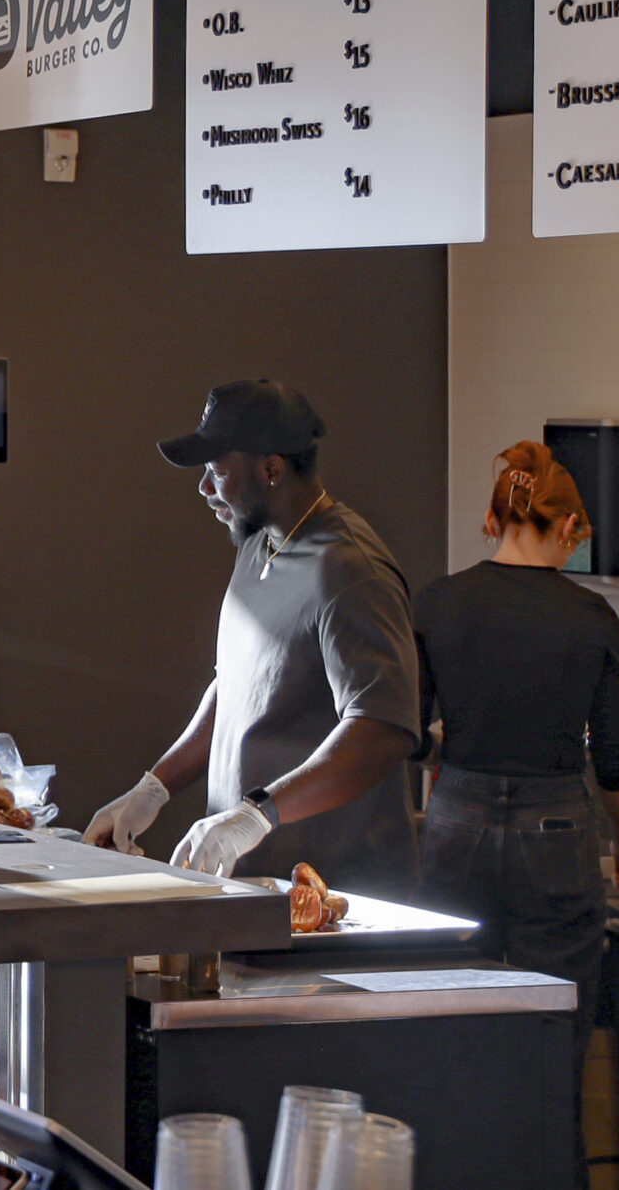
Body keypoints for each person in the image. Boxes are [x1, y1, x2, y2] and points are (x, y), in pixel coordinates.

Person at [410, 441, 619, 1189]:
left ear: (496, 517)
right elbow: (612, 759)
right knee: (552, 1049)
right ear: (568, 526)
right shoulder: (591, 617)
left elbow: (409, 732)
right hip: (557, 834)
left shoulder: (439, 601)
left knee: (450, 1035)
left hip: (455, 828)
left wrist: (452, 747)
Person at [85, 379, 423, 897]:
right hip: (253, 888)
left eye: (218, 471)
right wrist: (154, 787)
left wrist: (257, 813)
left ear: (270, 469)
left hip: (339, 896)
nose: (204, 488)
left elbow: (379, 730)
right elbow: (235, 688)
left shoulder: (350, 570)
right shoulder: (259, 544)